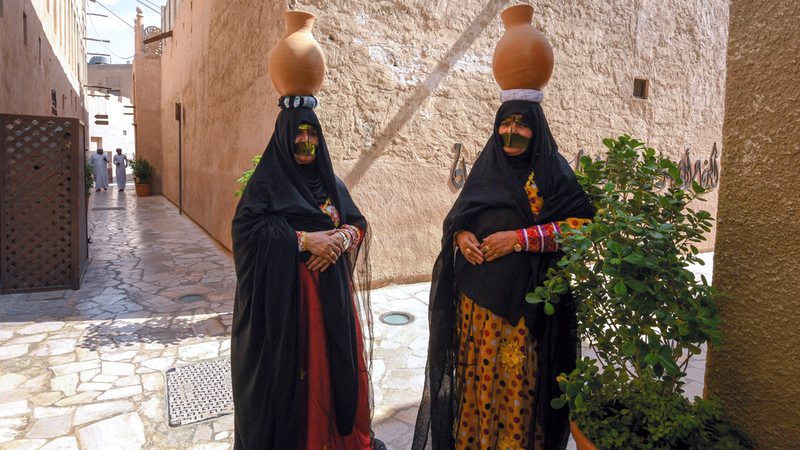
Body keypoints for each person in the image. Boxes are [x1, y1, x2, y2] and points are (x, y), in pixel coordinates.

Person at [413, 94, 595, 450]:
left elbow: (582, 227)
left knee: (518, 389)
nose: (512, 131)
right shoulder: (486, 168)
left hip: (522, 311)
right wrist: (461, 237)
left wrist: (520, 238)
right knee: (477, 387)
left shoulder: (552, 173)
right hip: (476, 310)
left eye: (522, 124)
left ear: (537, 129)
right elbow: (459, 218)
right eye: (506, 123)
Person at [231, 98, 379, 450]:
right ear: (284, 138)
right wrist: (303, 240)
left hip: (333, 301)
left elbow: (356, 224)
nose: (306, 141)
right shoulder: (266, 185)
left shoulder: (331, 184)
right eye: (298, 133)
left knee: (332, 371)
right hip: (289, 307)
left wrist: (340, 239)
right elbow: (245, 233)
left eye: (312, 133)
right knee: (296, 382)